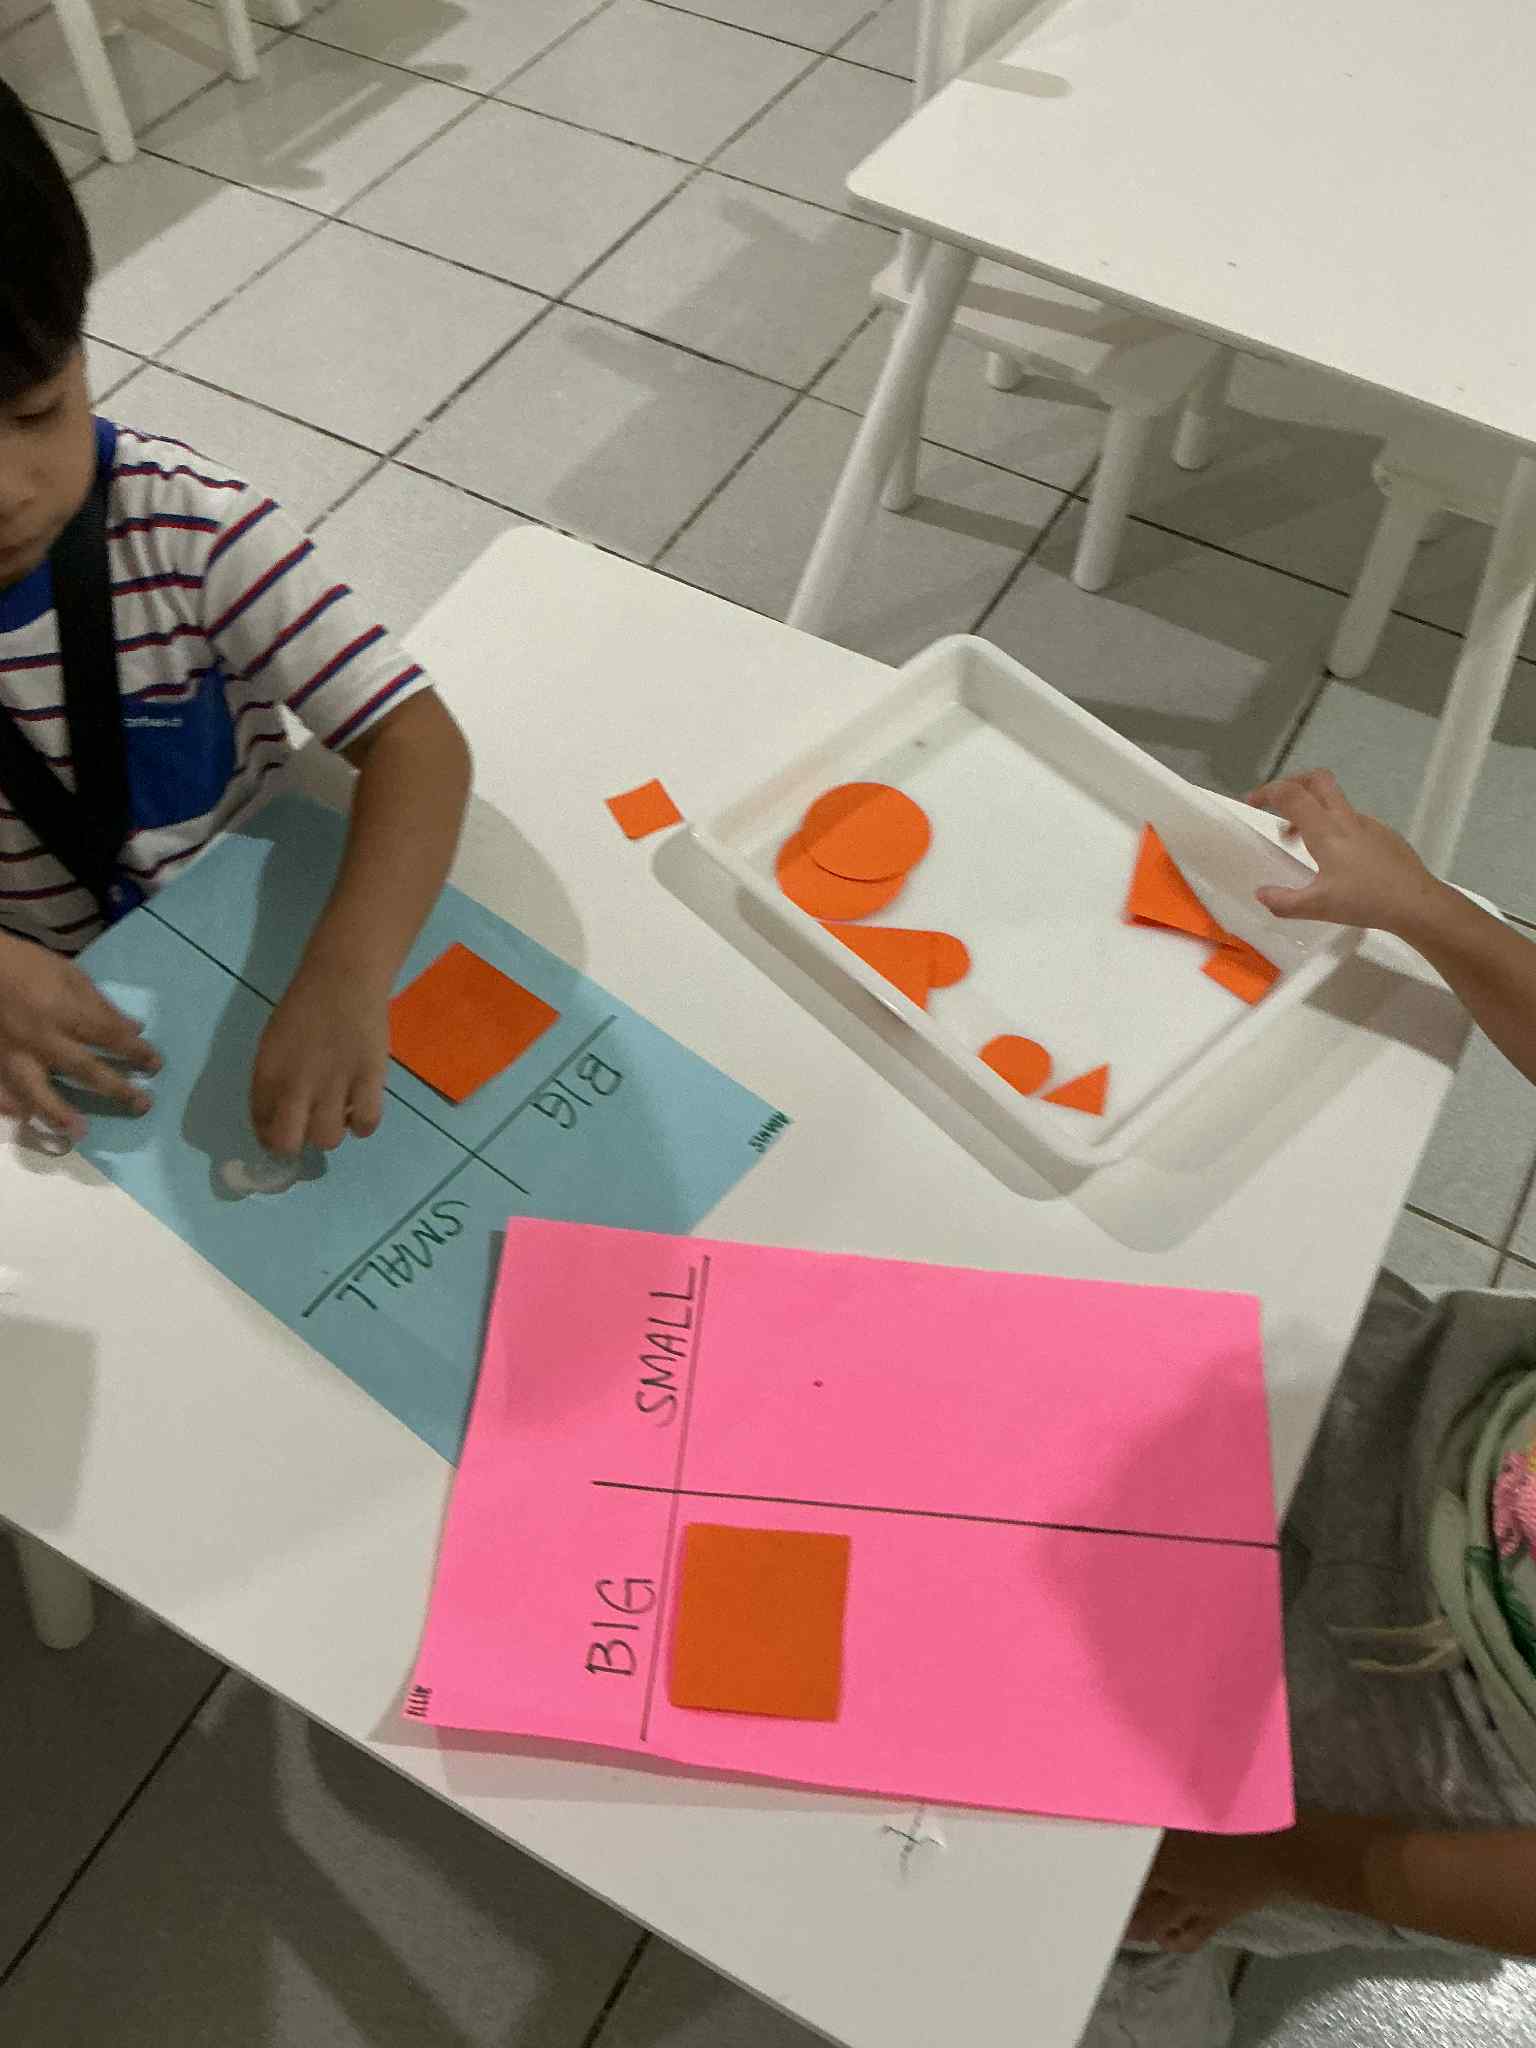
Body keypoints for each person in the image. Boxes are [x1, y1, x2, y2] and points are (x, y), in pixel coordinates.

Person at [1082, 769, 1536, 2046]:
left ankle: (1139, 1989)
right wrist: (1427, 907)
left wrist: (1283, 1854)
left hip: (1456, 1738)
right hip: (1434, 1397)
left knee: (1119, 1875)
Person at [0, 77, 471, 1157]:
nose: (7, 491)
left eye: (36, 411)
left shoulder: (189, 527)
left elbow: (417, 742)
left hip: (256, 939)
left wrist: (347, 974)